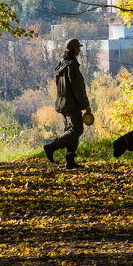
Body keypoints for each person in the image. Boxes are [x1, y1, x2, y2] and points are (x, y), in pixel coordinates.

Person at [44, 38, 93, 169]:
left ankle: (70, 160)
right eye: (79, 48)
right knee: (77, 130)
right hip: (72, 104)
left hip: (63, 103)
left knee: (71, 130)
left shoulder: (61, 64)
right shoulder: (72, 65)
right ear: (75, 49)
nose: (80, 50)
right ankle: (51, 147)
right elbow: (77, 87)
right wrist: (85, 105)